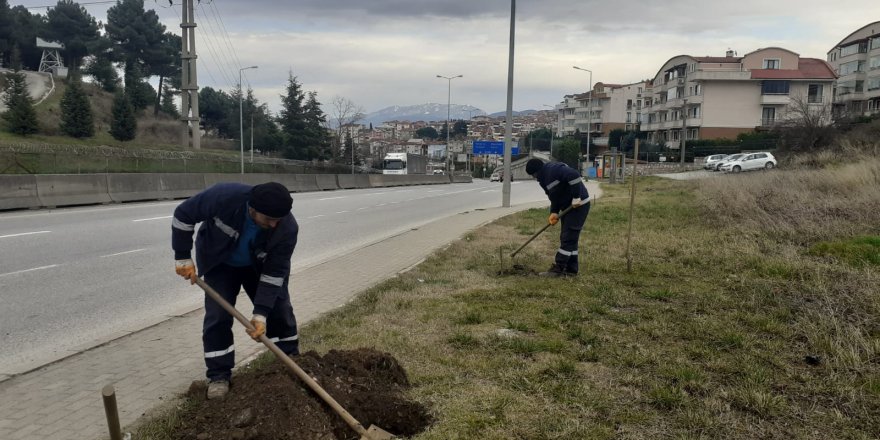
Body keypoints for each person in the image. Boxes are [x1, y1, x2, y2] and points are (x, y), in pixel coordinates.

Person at [171, 182, 300, 399]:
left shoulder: (286, 228)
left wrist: (260, 314)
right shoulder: (224, 197)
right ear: (253, 208)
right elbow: (183, 214)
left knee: (279, 308)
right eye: (269, 219)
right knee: (218, 316)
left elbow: (275, 273)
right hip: (220, 263)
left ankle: (291, 360)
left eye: (278, 219)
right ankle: (219, 376)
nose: (274, 224)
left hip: (258, 267)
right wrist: (182, 256)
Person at [525, 158, 591, 277]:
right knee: (570, 238)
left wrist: (576, 197)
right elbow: (554, 197)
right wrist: (554, 212)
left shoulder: (554, 170)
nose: (535, 178)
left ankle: (558, 268)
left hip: (579, 205)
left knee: (568, 237)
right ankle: (571, 269)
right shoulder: (543, 181)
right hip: (567, 208)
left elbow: (574, 175)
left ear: (537, 172)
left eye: (534, 175)